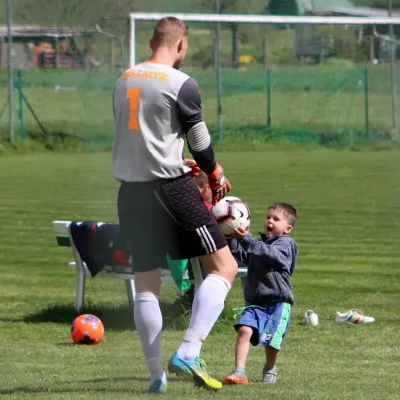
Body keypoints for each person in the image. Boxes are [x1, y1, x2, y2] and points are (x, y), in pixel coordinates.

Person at [111, 17, 238, 393]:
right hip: (170, 189)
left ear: (152, 41)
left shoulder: (123, 79)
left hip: (129, 191)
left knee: (146, 281)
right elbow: (199, 140)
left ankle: (156, 377)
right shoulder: (182, 83)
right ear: (181, 46)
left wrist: (171, 156)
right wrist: (213, 173)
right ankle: (189, 349)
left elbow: (138, 136)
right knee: (224, 265)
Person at [223, 202, 299, 385]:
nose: (269, 221)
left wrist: (248, 240)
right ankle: (239, 371)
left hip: (277, 303)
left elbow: (273, 255)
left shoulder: (287, 244)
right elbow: (242, 255)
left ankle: (270, 367)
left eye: (276, 219)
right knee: (243, 330)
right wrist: (232, 237)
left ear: (288, 228)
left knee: (271, 343)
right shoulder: (259, 244)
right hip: (255, 302)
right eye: (268, 217)